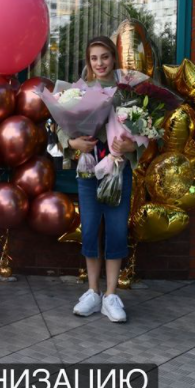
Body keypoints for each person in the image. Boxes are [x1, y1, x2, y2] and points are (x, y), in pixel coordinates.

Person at [56, 36, 138, 323]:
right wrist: (72, 143)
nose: (100, 63)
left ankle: (111, 296)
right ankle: (92, 291)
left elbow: (146, 129)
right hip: (88, 170)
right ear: (88, 62)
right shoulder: (78, 92)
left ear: (113, 58)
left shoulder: (127, 92)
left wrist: (132, 145)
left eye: (104, 56)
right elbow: (61, 128)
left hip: (117, 170)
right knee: (90, 229)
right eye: (94, 58)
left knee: (116, 230)